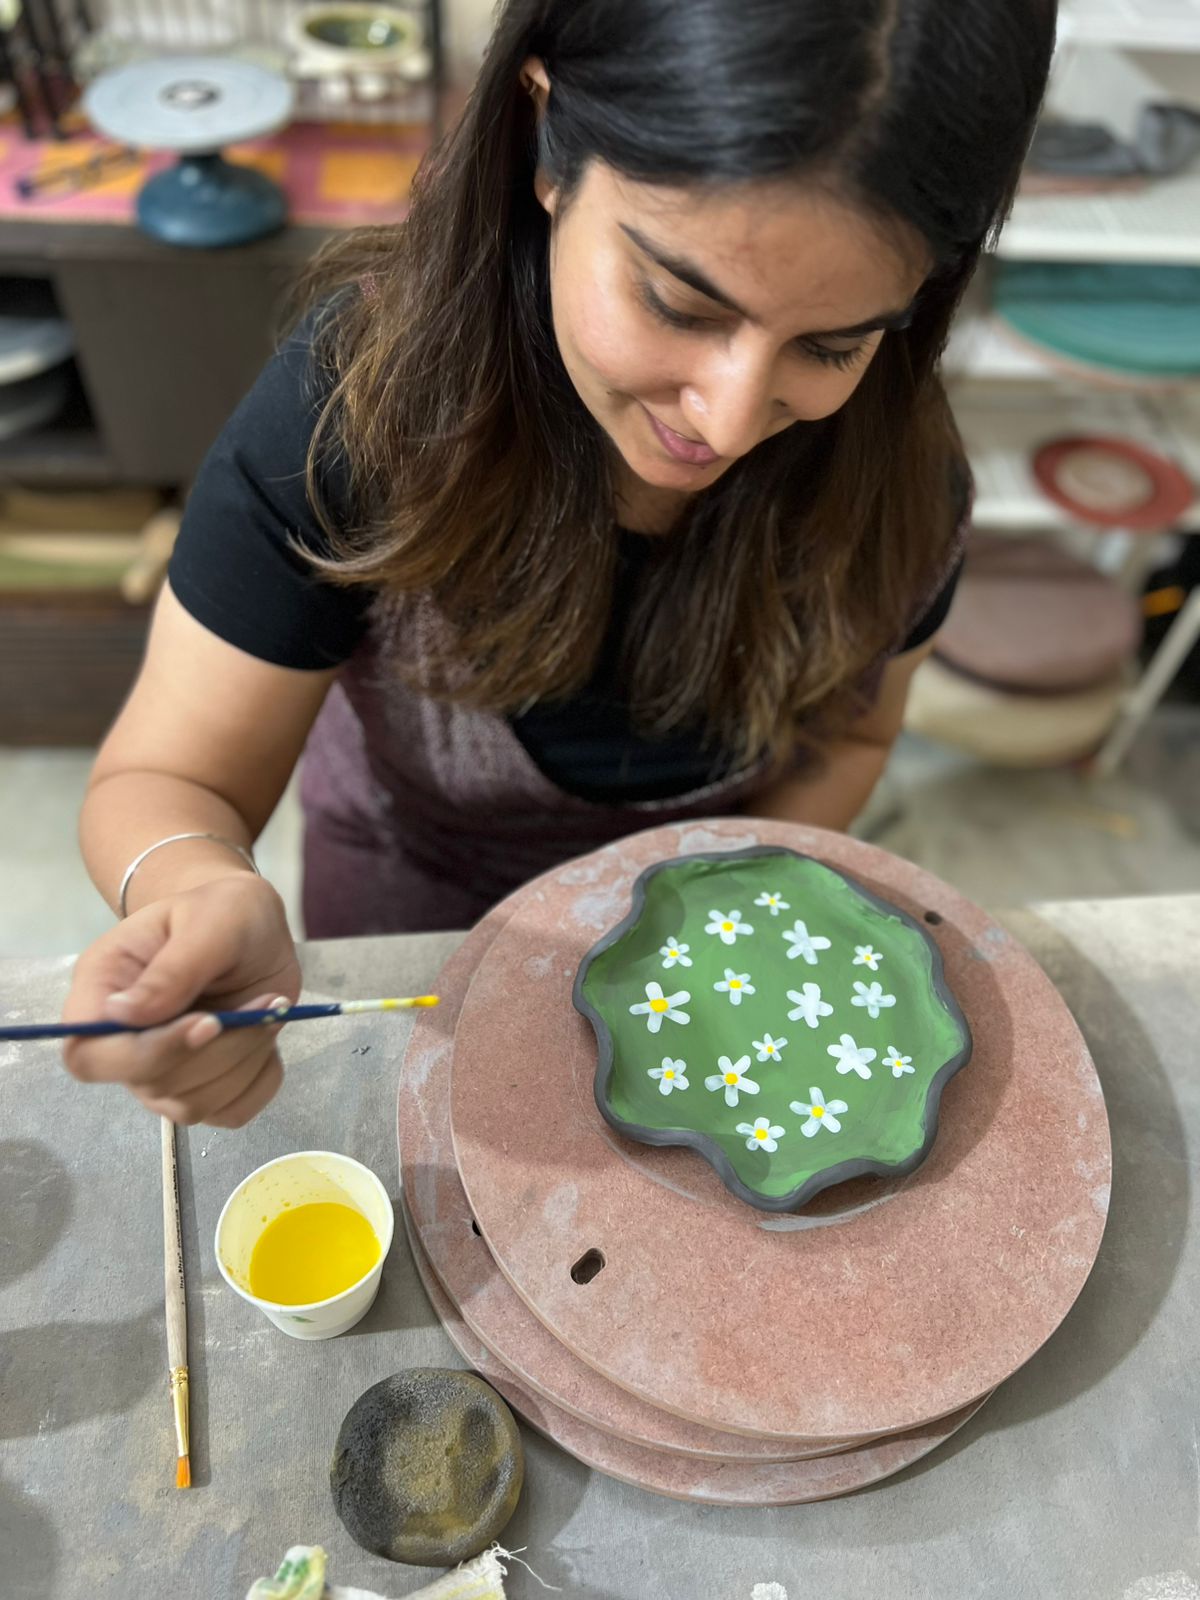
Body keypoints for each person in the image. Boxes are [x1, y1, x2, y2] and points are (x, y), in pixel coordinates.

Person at [61, 0, 1057, 1128]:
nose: (727, 422)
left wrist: (725, 913)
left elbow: (860, 736)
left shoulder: (903, 486)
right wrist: (196, 885)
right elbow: (168, 778)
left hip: (707, 957)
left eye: (832, 344)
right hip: (410, 909)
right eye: (677, 302)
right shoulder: (350, 413)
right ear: (546, 143)